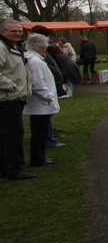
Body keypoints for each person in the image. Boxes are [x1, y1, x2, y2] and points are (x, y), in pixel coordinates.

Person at [0, 20, 34, 180]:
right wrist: (12, 86)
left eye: (19, 31)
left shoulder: (14, 47)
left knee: (7, 134)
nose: (17, 34)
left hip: (14, 97)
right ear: (2, 32)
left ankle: (5, 168)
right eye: (13, 31)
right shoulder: (2, 47)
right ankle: (15, 169)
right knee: (14, 134)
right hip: (7, 98)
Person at [23, 33, 60, 168]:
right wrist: (49, 96)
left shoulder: (34, 59)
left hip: (40, 103)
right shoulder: (35, 61)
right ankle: (38, 158)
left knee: (40, 131)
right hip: (41, 103)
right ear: (41, 46)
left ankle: (39, 156)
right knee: (39, 132)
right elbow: (37, 83)